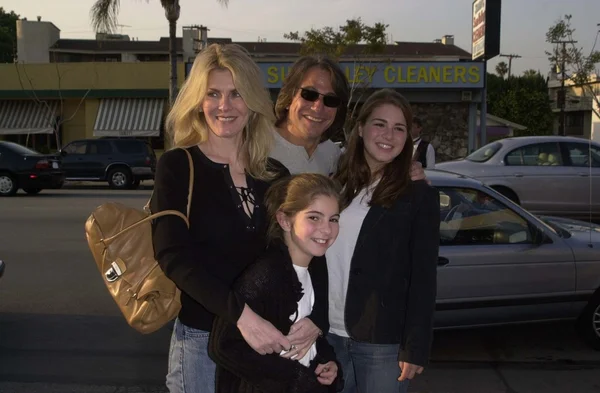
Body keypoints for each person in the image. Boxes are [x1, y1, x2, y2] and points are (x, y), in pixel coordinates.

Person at [151, 43, 297, 393]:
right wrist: (243, 318)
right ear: (198, 103)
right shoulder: (177, 166)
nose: (224, 106)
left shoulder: (276, 175)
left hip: (264, 341)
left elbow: (296, 257)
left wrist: (312, 320)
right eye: (212, 93)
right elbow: (173, 257)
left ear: (253, 102)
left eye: (236, 94)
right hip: (202, 341)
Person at [269, 55, 429, 363]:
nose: (318, 107)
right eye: (310, 94)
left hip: (312, 316)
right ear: (289, 95)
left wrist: (415, 173)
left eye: (330, 100)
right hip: (259, 306)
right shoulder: (256, 146)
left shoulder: (334, 160)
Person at [327, 89, 440, 393]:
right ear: (360, 129)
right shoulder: (335, 185)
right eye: (380, 124)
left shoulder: (419, 195)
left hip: (382, 342)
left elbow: (424, 277)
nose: (388, 135)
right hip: (326, 335)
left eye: (399, 128)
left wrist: (415, 346)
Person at [210, 173, 343, 393]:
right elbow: (224, 346)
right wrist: (297, 378)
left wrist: (327, 362)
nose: (327, 229)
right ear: (284, 220)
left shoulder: (315, 271)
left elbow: (304, 335)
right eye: (314, 217)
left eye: (334, 219)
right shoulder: (266, 275)